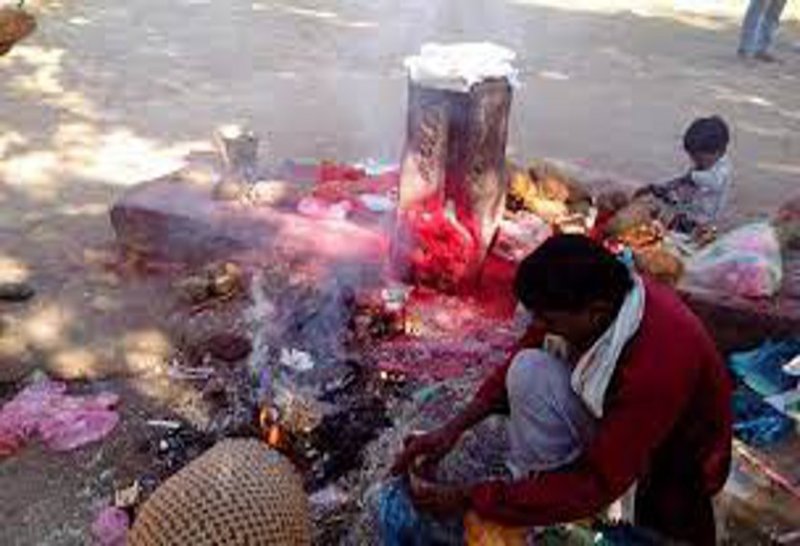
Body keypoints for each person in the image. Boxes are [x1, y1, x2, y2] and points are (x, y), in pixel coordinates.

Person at [389, 234, 732, 545]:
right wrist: (452, 429)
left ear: (595, 314)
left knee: (661, 531)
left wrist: (470, 497)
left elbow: (599, 482)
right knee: (527, 368)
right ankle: (545, 500)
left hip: (681, 456)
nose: (540, 327)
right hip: (621, 422)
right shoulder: (598, 301)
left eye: (549, 319)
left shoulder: (656, 364)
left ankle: (559, 508)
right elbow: (517, 360)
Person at [635, 116, 732, 234]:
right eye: (693, 157)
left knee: (663, 222)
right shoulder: (705, 164)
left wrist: (691, 177)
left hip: (700, 220)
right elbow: (685, 183)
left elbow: (713, 182)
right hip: (690, 206)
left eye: (699, 158)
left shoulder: (722, 170)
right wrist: (666, 187)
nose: (695, 161)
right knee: (663, 198)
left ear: (719, 152)